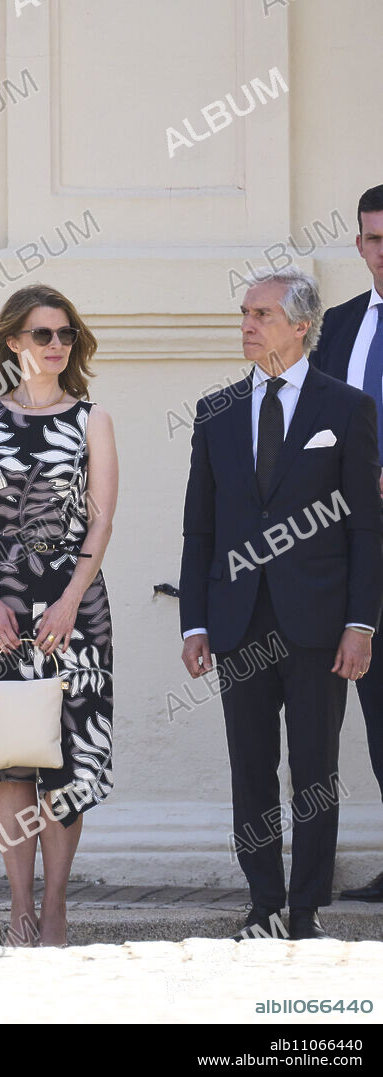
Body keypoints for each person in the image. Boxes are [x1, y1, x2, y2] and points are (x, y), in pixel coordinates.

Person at [178, 265, 383, 941]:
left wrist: (360, 622)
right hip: (238, 621)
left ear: (301, 326)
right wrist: (196, 621)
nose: (247, 324)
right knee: (250, 770)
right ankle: (262, 906)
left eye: (261, 314)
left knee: (315, 771)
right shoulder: (214, 414)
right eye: (243, 312)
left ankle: (304, 910)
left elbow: (363, 527)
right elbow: (199, 528)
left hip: (319, 622)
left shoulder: (346, 409)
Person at [0, 283, 118, 947]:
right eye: (43, 334)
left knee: (68, 766)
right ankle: (18, 907)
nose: (56, 345)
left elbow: (101, 518)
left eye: (65, 334)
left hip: (73, 609)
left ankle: (55, 909)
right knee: (12, 759)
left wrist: (71, 596)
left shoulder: (92, 419)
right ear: (14, 341)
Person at [310, 184, 383, 903]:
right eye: (374, 239)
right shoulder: (337, 326)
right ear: (359, 245)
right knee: (376, 705)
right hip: (350, 545)